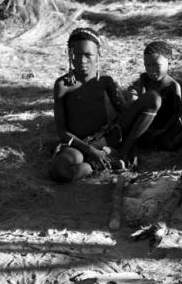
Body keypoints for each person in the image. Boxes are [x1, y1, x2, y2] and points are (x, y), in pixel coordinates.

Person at [49, 28, 129, 182]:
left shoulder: (106, 81)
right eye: (76, 55)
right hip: (78, 144)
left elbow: (124, 113)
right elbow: (62, 130)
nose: (82, 60)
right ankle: (95, 165)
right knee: (58, 171)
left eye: (88, 55)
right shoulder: (62, 85)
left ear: (98, 55)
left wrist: (133, 97)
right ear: (69, 54)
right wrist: (89, 150)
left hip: (103, 140)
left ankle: (101, 160)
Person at [125, 41, 182, 151]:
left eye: (156, 65)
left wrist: (162, 131)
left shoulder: (173, 86)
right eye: (147, 65)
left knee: (168, 145)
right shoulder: (145, 79)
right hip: (148, 124)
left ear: (169, 63)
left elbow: (175, 115)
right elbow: (141, 100)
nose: (152, 70)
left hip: (167, 127)